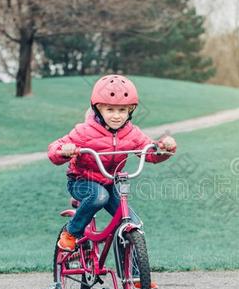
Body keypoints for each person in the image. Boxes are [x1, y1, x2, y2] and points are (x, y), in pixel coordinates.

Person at [47, 75, 177, 276]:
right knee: (99, 196)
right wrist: (65, 150)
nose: (117, 116)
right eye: (110, 109)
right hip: (81, 181)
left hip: (110, 182)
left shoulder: (132, 133)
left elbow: (150, 153)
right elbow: (54, 149)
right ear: (98, 109)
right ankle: (71, 231)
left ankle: (135, 278)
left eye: (122, 110)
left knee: (133, 223)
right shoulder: (84, 131)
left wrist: (166, 148)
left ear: (130, 111)